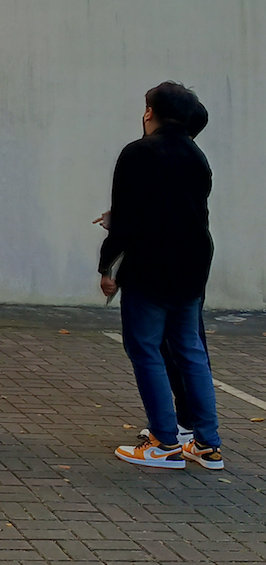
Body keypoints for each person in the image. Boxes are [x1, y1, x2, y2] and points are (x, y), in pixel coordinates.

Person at [101, 82, 222, 470]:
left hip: (151, 264)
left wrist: (108, 266)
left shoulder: (137, 153)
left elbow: (127, 218)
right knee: (190, 351)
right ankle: (206, 443)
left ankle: (164, 441)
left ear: (150, 112)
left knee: (145, 349)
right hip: (193, 263)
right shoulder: (197, 156)